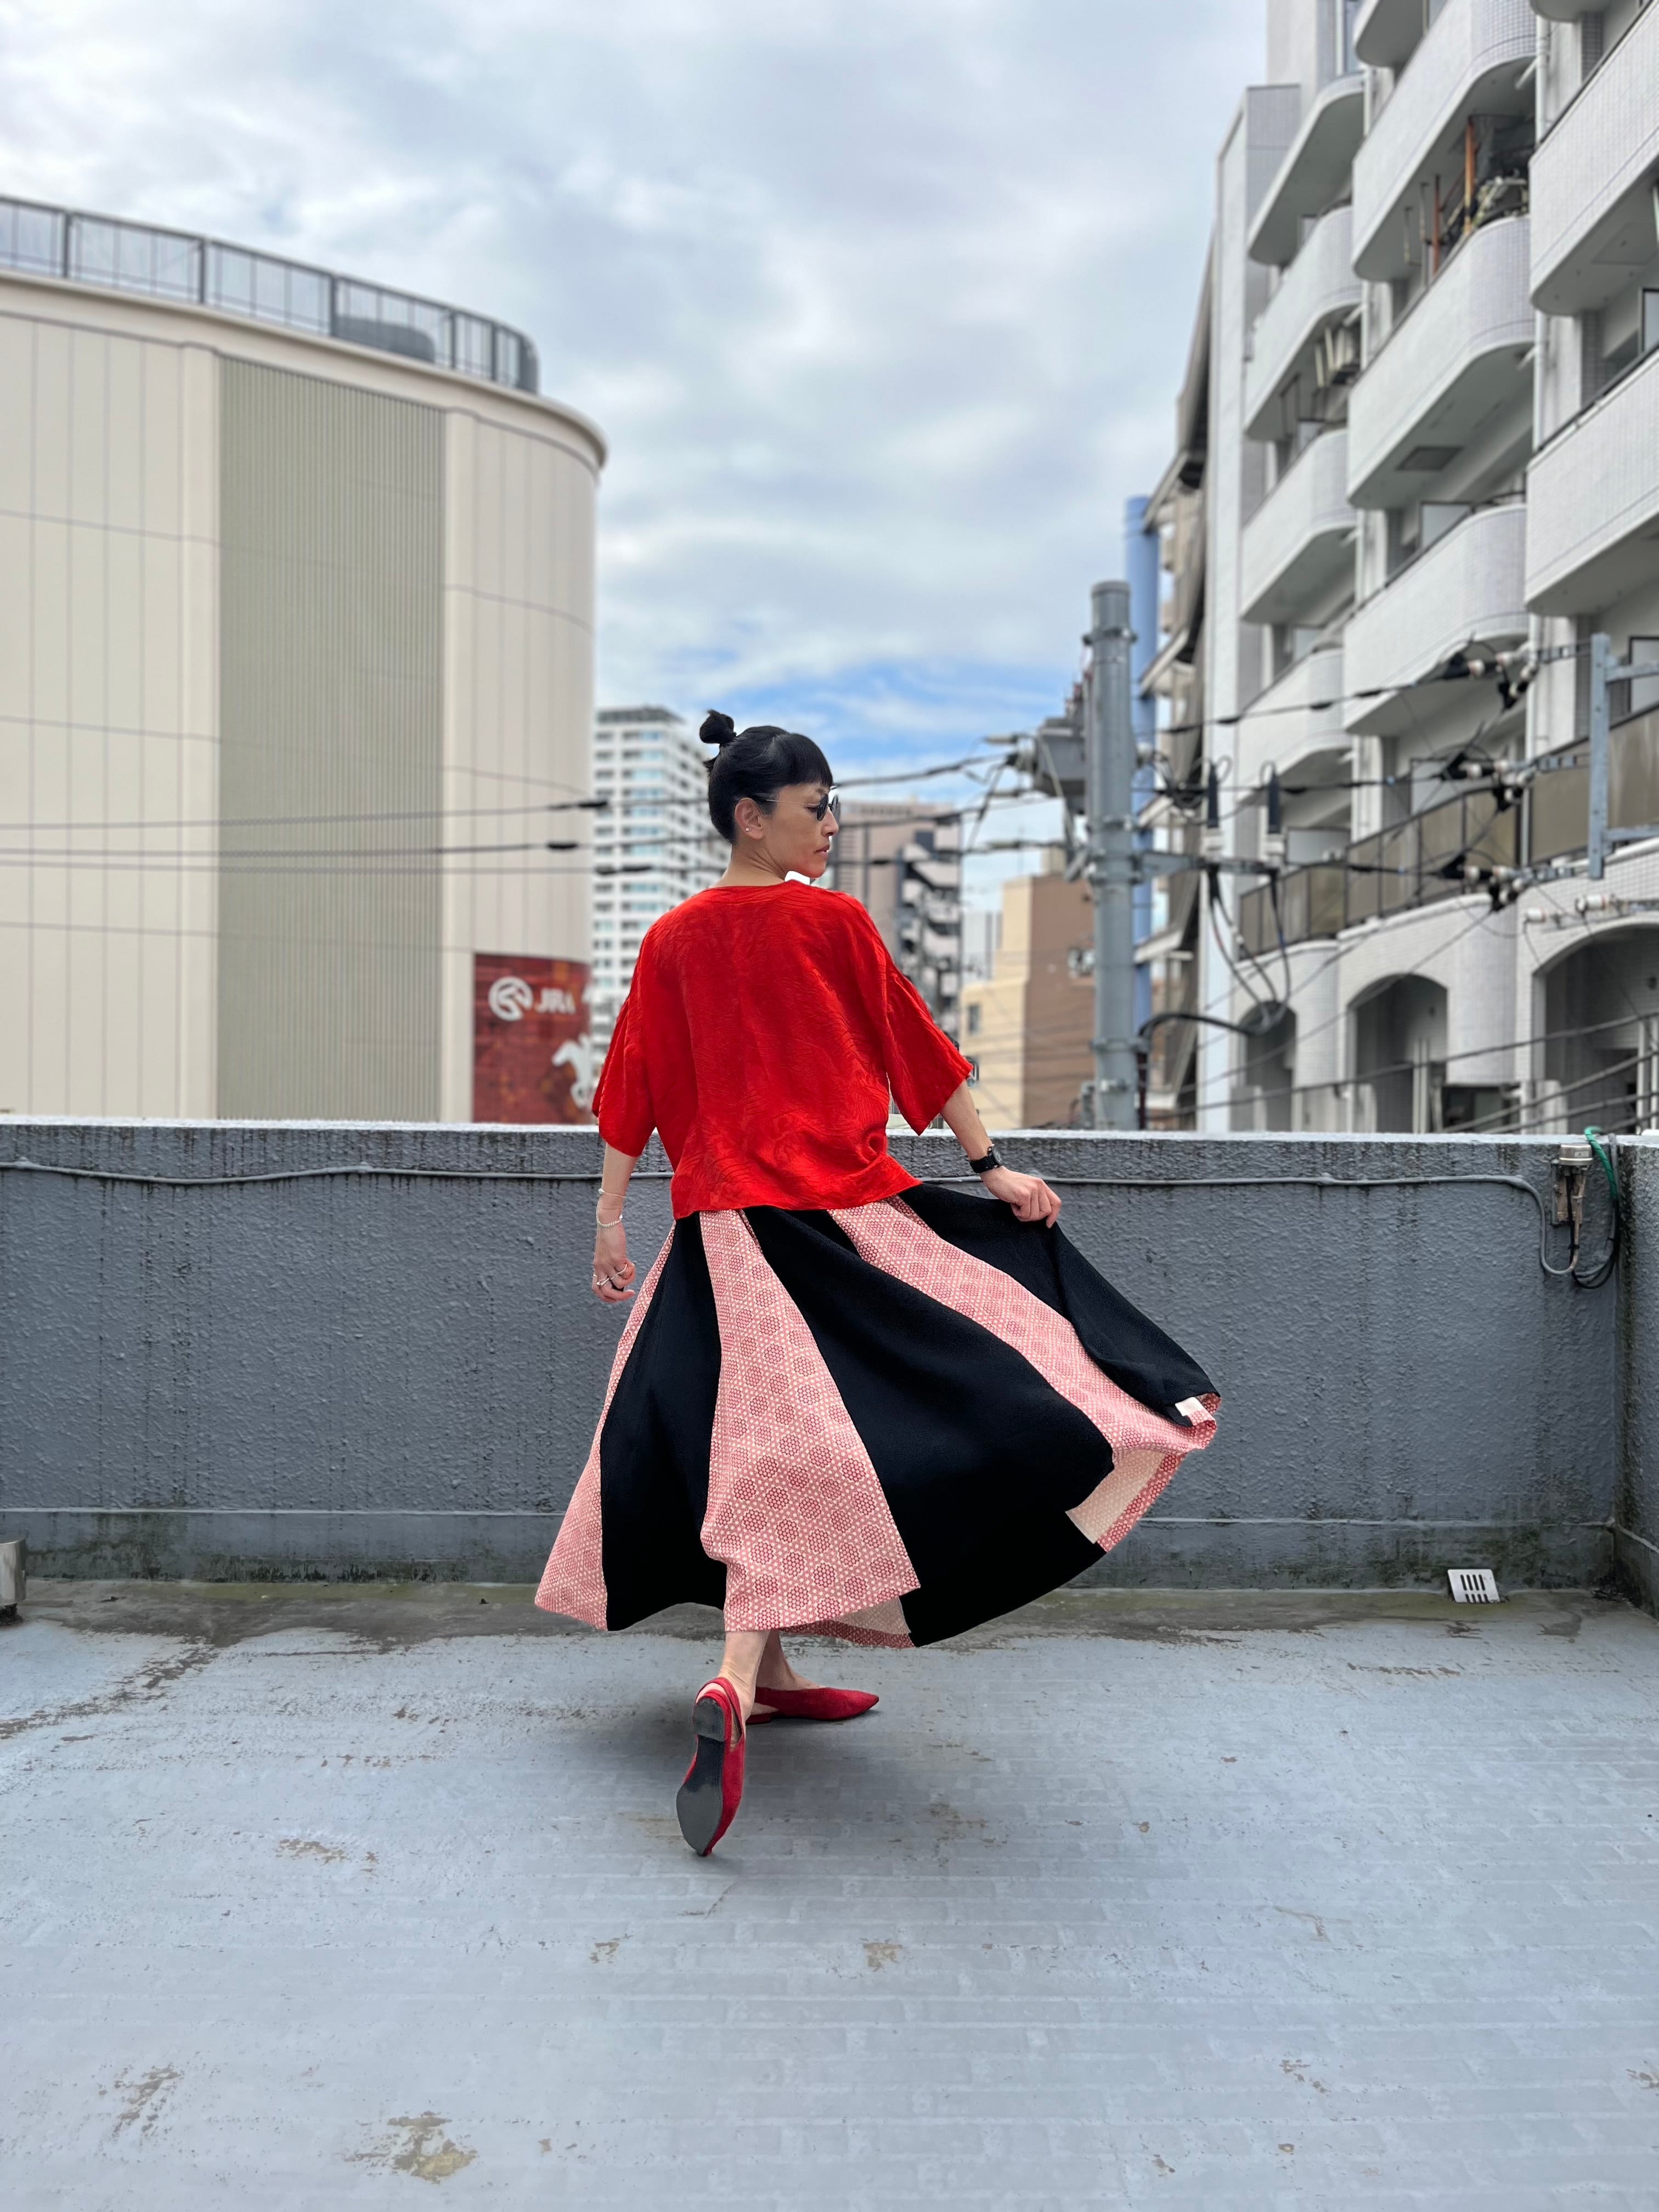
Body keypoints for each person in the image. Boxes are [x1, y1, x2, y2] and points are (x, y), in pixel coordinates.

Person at [536, 712, 1219, 1855]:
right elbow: (921, 1053)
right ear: (751, 818)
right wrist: (994, 1171)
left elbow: (630, 1091)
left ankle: (766, 1677)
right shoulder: (834, 923)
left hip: (717, 1243)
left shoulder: (671, 941)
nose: (831, 826)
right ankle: (733, 1679)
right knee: (976, 1389)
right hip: (839, 1235)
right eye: (815, 809)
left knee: (738, 1448)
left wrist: (610, 1223)